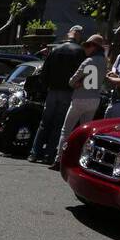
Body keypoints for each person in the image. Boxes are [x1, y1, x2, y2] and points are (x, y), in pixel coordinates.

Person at [28, 25, 86, 164]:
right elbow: (82, 73)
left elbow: (44, 71)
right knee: (59, 124)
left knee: (45, 122)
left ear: (68, 34)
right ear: (78, 35)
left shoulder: (56, 49)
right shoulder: (79, 51)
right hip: (68, 91)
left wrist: (46, 86)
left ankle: (34, 153)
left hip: (52, 91)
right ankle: (49, 154)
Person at [53, 34, 106, 169]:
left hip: (80, 98)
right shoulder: (105, 62)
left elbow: (72, 81)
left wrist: (77, 83)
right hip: (94, 99)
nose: (85, 48)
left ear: (95, 47)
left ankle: (59, 159)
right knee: (86, 133)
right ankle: (82, 160)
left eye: (88, 45)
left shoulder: (88, 61)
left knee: (66, 130)